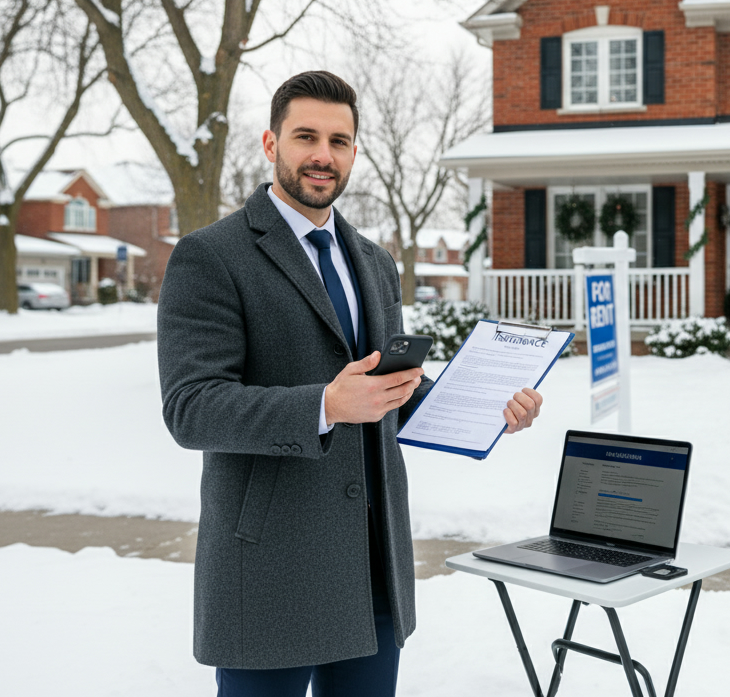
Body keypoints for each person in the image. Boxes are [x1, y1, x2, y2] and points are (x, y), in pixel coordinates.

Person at [157, 70, 543, 696]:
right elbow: (192, 408)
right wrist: (324, 405)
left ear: (355, 152)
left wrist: (486, 410)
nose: (322, 155)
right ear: (269, 143)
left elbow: (389, 390)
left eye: (339, 141)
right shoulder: (212, 255)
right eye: (305, 136)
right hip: (270, 569)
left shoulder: (374, 261)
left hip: (372, 565)